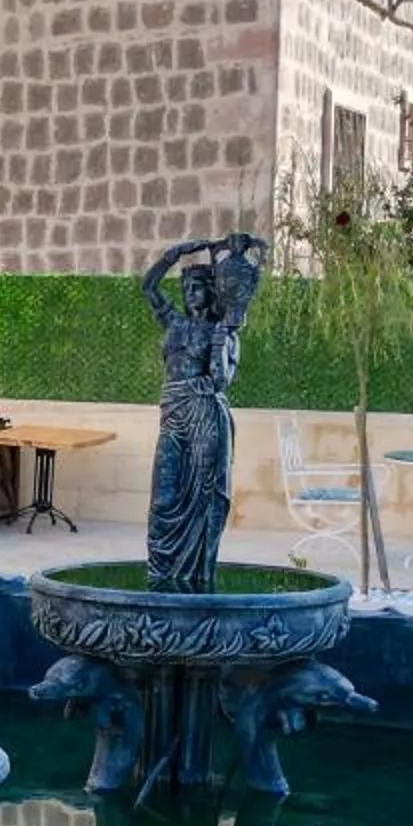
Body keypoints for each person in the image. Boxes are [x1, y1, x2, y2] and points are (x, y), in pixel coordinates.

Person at [142, 232, 267, 591]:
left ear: (212, 291)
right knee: (162, 500)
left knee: (204, 496)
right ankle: (163, 574)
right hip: (174, 415)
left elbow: (220, 380)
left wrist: (219, 344)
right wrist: (177, 252)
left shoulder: (222, 331)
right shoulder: (176, 324)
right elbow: (148, 287)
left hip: (204, 418)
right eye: (187, 288)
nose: (190, 294)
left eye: (197, 287)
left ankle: (196, 577)